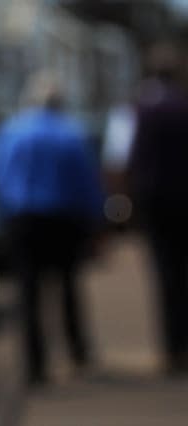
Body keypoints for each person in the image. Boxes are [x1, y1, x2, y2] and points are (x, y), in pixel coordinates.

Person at [0, 70, 104, 384]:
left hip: (22, 219)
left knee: (28, 291)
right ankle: (78, 353)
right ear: (60, 102)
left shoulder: (12, 131)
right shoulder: (72, 133)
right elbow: (87, 182)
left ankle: (35, 365)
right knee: (69, 287)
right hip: (65, 220)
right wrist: (96, 223)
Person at [127, 41, 188, 374]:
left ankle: (171, 348)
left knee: (165, 274)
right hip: (184, 199)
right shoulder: (184, 105)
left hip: (155, 200)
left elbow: (130, 155)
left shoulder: (143, 109)